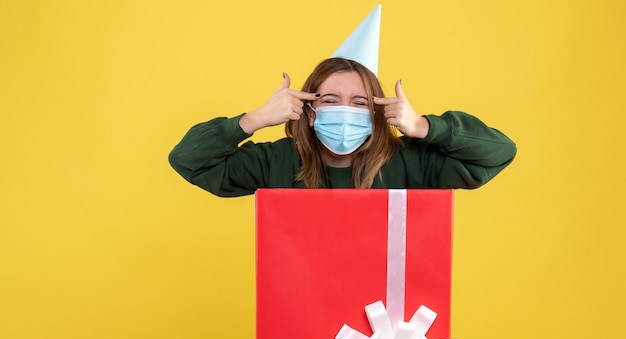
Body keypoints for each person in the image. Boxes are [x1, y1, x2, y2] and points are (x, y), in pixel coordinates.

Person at [168, 58, 516, 197]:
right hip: (302, 325)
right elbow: (187, 159)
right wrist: (253, 119)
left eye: (361, 103)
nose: (346, 111)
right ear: (308, 110)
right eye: (331, 100)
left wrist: (426, 127)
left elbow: (499, 153)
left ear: (378, 113)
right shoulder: (274, 161)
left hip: (391, 331)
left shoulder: (413, 161)